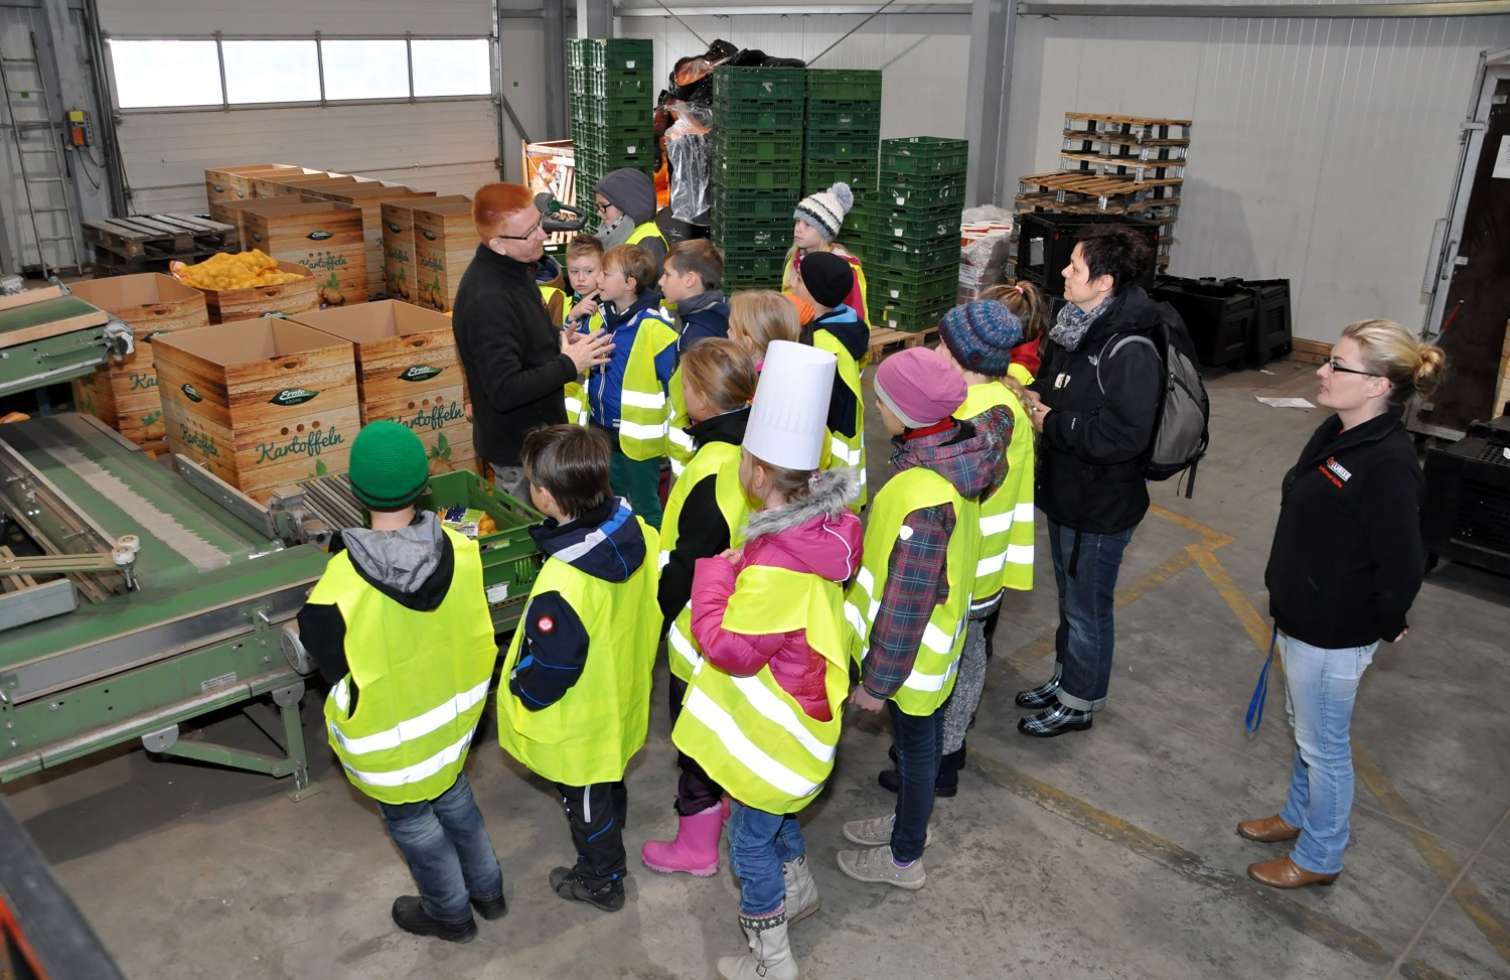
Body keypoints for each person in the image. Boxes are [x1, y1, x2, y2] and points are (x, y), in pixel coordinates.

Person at [670, 340, 862, 980]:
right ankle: (800, 890)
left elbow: (727, 646)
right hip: (801, 724)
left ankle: (771, 960)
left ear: (753, 473)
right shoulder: (817, 535)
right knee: (777, 822)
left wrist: (712, 577)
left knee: (749, 843)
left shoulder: (778, 562)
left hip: (775, 738)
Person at [1241, 320, 1444, 890]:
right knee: (1302, 726)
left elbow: (1405, 559)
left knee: (1323, 745)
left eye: (1339, 365)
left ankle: (1320, 856)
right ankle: (1298, 817)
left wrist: (1385, 620)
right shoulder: (1338, 431)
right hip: (1302, 614)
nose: (1323, 372)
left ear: (1379, 386)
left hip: (1333, 630)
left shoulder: (1387, 463)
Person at [296, 421, 504, 944]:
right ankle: (488, 891)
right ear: (424, 484)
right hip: (454, 729)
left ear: (356, 491)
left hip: (390, 746)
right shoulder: (464, 550)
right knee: (456, 800)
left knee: (414, 825)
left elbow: (331, 666)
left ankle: (450, 913)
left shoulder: (335, 588)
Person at [838, 348, 1003, 891]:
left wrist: (876, 686)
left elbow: (907, 605)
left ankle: (905, 857)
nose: (875, 404)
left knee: (916, 749)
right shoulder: (956, 452)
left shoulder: (924, 499)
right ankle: (909, 822)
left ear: (903, 413)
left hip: (910, 662)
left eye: (880, 397)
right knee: (920, 749)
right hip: (935, 650)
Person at [496, 424, 661, 912]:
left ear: (545, 497)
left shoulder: (563, 583)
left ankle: (602, 879)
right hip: (622, 689)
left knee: (585, 801)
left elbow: (552, 665)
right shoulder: (636, 532)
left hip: (582, 721)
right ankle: (615, 818)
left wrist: (524, 690)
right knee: (609, 781)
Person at [1015, 225, 1165, 737]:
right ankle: (1066, 678)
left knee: (1088, 608)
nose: (1063, 273)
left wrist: (1052, 421)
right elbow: (1058, 384)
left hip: (1101, 503)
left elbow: (1125, 435)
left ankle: (1080, 701)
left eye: (1075, 267)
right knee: (1070, 600)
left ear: (1104, 282)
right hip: (1067, 489)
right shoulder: (1076, 325)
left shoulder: (1131, 349)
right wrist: (1028, 391)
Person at [877, 301, 1026, 798]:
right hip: (968, 566)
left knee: (963, 660)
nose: (936, 350)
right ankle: (940, 746)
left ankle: (944, 752)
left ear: (963, 356)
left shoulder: (980, 417)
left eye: (942, 343)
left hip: (968, 572)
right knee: (963, 657)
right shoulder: (987, 405)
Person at [640, 339, 757, 877]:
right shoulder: (755, 448)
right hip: (742, 631)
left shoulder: (711, 467)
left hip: (699, 638)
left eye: (684, 385)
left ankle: (697, 846)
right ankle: (728, 802)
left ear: (703, 398)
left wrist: (657, 614)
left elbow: (689, 565)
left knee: (694, 742)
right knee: (727, 731)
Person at [452, 182, 613, 500]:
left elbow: (518, 335)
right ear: (498, 244)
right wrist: (569, 364)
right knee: (532, 538)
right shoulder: (488, 298)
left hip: (542, 442)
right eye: (530, 232)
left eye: (539, 222)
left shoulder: (516, 268)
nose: (543, 235)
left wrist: (555, 339)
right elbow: (504, 389)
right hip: (520, 456)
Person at [586, 243, 678, 528]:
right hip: (600, 431)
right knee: (609, 503)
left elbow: (673, 386)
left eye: (605, 273)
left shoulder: (653, 327)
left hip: (637, 442)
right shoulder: (600, 317)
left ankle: (656, 565)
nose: (598, 280)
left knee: (645, 507)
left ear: (629, 283)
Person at [793, 251, 869, 509]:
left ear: (815, 292)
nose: (792, 284)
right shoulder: (846, 326)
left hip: (827, 471)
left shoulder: (823, 346)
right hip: (841, 464)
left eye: (800, 280)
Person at [659, 239, 731, 476]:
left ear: (690, 279)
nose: (660, 282)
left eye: (667, 275)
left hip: (692, 453)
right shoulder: (716, 313)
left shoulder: (696, 335)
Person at [781, 182, 867, 316]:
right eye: (798, 221)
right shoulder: (794, 261)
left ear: (824, 232)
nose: (798, 228)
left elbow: (856, 315)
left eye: (808, 224)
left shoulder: (843, 271)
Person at [562, 234, 606, 427]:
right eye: (574, 271)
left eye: (589, 271)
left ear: (602, 270)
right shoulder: (564, 304)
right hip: (570, 411)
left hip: (599, 408)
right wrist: (571, 318)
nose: (581, 278)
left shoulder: (609, 307)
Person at [595, 168, 668, 270]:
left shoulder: (649, 245)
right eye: (598, 207)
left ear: (628, 204)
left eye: (603, 206)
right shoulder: (623, 233)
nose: (599, 213)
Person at [728, 289, 801, 371]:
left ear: (747, 343)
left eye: (731, 329)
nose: (727, 332)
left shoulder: (751, 381)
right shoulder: (790, 370)